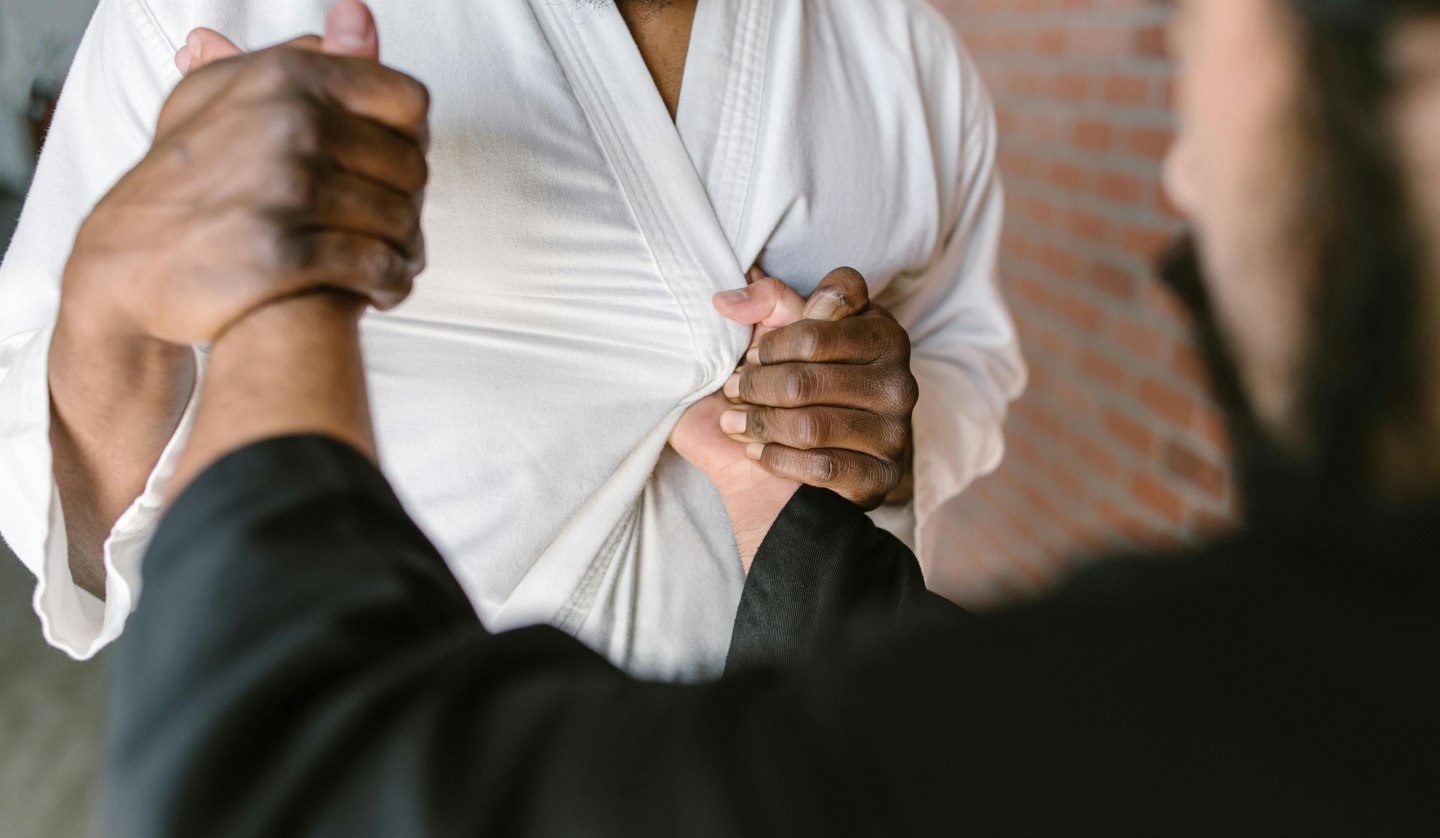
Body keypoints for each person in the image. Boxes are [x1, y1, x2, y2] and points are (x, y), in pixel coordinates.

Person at [104, 0, 1440, 834]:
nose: (1186, 175)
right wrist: (790, 495)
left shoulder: (897, 50)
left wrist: (286, 289)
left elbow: (276, 788)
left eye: (1191, 38)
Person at [0, 0, 1024, 679]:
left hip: (786, 770)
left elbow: (969, 356)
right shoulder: (212, 13)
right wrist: (117, 310)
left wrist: (894, 428)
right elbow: (47, 486)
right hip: (390, 765)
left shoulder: (909, 60)